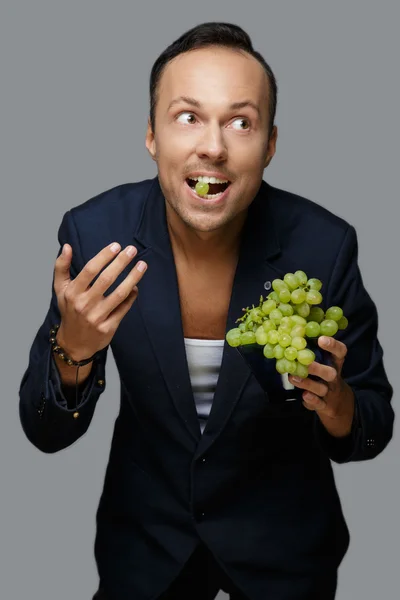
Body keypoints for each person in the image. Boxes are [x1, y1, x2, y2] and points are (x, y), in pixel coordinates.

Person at [19, 21, 394, 600]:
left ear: (269, 144)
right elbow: (43, 432)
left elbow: (374, 425)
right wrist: (74, 351)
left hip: (284, 556)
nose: (213, 147)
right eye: (188, 117)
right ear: (151, 135)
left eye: (241, 122)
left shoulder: (324, 246)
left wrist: (338, 405)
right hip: (146, 551)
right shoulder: (95, 234)